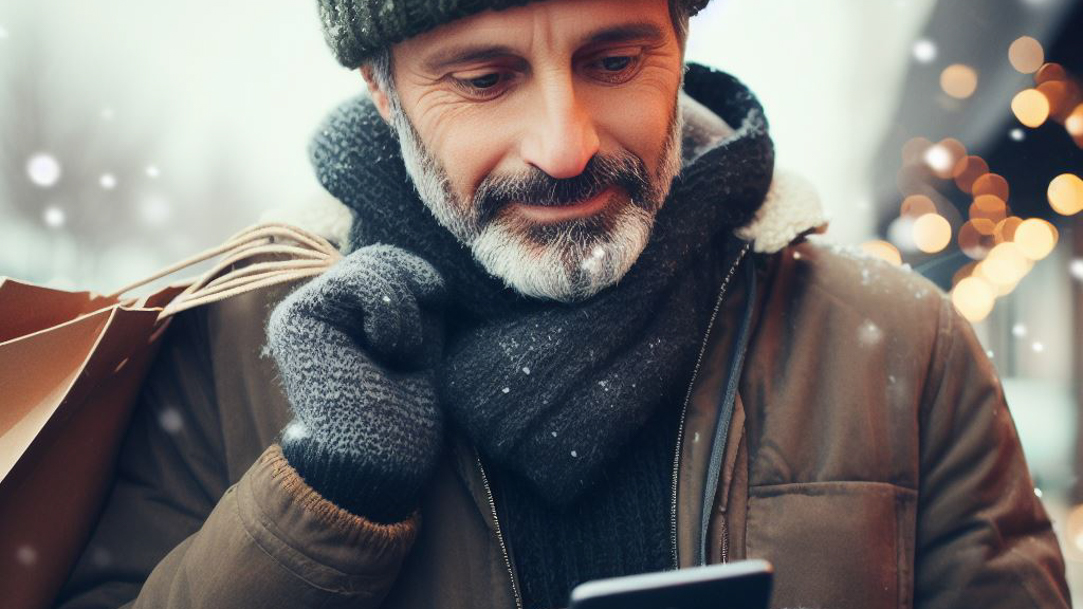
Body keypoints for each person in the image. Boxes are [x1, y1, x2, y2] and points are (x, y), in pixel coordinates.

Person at [56, 0, 1070, 607]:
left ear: (679, 36)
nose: (566, 142)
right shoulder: (226, 351)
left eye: (615, 60)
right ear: (383, 88)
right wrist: (324, 492)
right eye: (486, 77)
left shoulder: (898, 345)